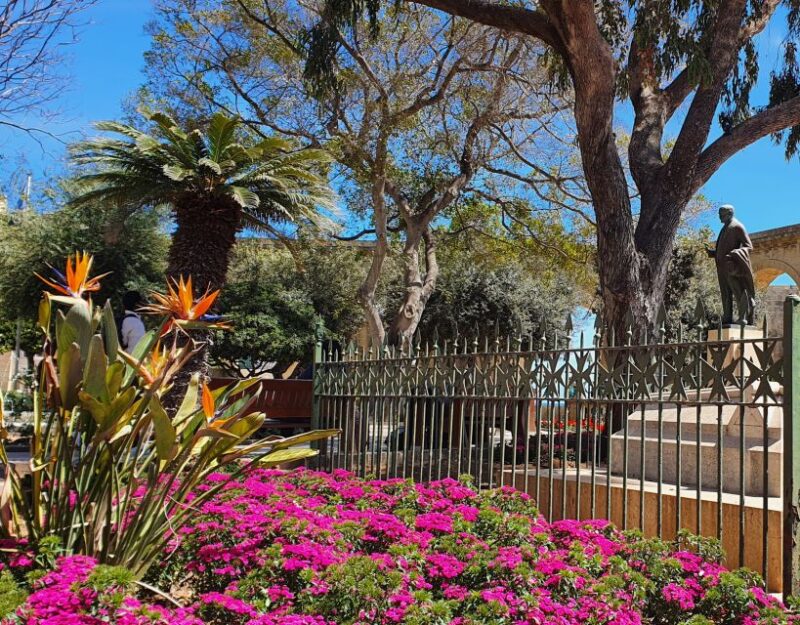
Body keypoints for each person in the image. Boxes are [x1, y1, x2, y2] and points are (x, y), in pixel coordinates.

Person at [706, 204, 756, 325]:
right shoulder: (724, 228)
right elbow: (723, 249)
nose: (719, 217)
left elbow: (749, 246)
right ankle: (727, 317)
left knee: (738, 291)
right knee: (725, 293)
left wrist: (735, 253)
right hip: (721, 267)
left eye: (721, 214)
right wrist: (713, 253)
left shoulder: (737, 226)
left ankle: (743, 317)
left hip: (732, 267)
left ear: (729, 214)